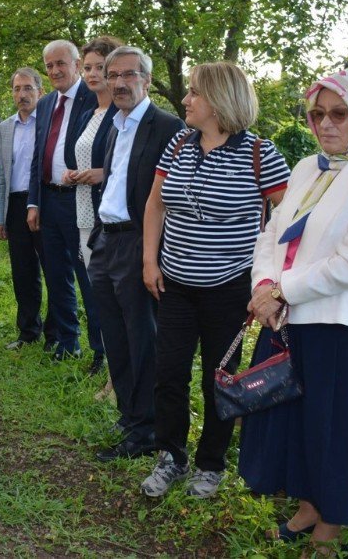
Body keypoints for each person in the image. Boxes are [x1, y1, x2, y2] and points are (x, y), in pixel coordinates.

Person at [239, 66, 348, 553]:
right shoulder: (306, 168)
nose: (326, 124)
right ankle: (308, 505)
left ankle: (331, 525)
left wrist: (281, 290)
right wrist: (265, 283)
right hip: (292, 318)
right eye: (317, 114)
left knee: (336, 429)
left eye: (340, 113)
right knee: (300, 424)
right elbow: (272, 234)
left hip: (346, 326)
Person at [138, 62, 289, 497]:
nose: (185, 100)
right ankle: (170, 459)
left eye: (193, 93)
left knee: (218, 378)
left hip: (229, 289)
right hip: (176, 285)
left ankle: (211, 464)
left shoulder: (260, 154)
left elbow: (288, 223)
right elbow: (155, 204)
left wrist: (272, 283)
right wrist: (150, 262)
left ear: (220, 100)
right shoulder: (179, 145)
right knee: (168, 374)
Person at [86, 46, 184, 463]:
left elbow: (170, 197)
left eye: (129, 75)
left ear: (146, 78)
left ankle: (147, 430)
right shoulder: (116, 125)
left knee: (142, 338)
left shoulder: (167, 126)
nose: (120, 83)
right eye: (114, 75)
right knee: (115, 335)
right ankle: (130, 417)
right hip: (106, 241)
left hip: (139, 244)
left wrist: (153, 255)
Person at [26, 40, 102, 360]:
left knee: (89, 280)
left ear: (75, 64)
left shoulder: (94, 98)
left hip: (82, 200)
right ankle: (69, 342)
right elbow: (37, 155)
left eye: (61, 63)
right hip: (49, 201)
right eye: (49, 66)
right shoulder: (44, 104)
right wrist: (33, 202)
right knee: (57, 276)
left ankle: (102, 350)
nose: (55, 70)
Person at [66, 35, 123, 376]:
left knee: (111, 294)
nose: (91, 74)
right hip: (83, 209)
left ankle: (115, 360)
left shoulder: (121, 113)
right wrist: (74, 172)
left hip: (109, 217)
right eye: (86, 67)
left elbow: (129, 167)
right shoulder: (89, 112)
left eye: (99, 67)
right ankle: (100, 352)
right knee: (93, 289)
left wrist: (103, 174)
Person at [0, 68, 57, 351]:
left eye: (28, 88)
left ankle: (57, 334)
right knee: (23, 271)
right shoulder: (5, 127)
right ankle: (28, 331)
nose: (22, 94)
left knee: (54, 267)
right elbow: (1, 176)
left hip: (45, 200)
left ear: (40, 92)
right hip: (16, 203)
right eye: (18, 89)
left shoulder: (48, 122)